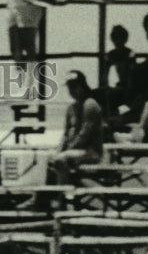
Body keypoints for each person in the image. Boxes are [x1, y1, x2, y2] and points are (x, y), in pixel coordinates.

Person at [33, 70, 103, 211]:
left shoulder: (90, 105)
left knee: (61, 160)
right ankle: (40, 200)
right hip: (73, 152)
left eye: (75, 86)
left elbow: (84, 135)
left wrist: (65, 152)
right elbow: (65, 135)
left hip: (90, 152)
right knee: (47, 159)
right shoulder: (71, 108)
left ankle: (63, 201)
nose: (73, 91)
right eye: (70, 87)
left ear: (83, 85)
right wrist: (58, 150)